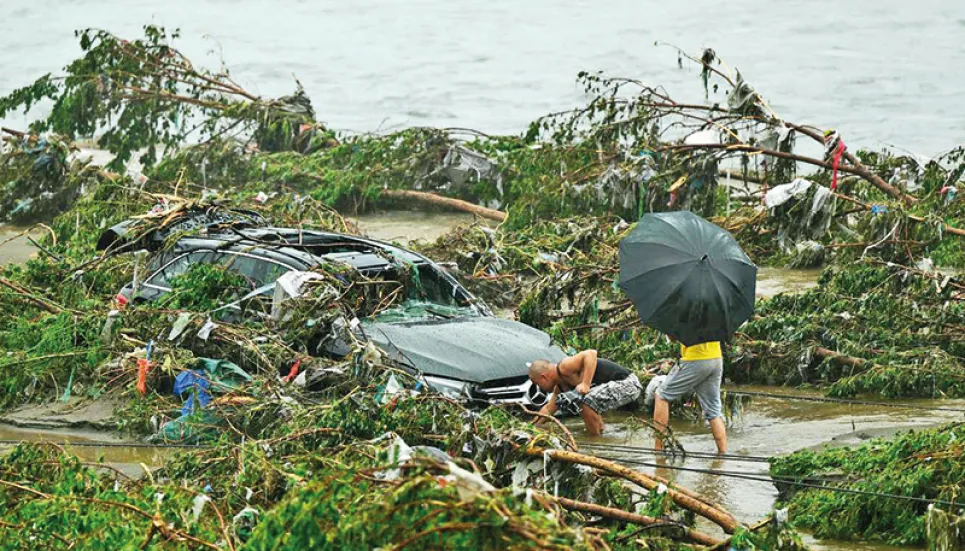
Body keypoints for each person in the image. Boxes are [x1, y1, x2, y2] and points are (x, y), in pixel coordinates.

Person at [528, 350, 642, 436]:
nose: (539, 388)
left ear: (544, 377)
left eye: (538, 384)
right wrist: (529, 428)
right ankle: (599, 435)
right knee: (582, 403)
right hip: (617, 389)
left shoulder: (564, 367)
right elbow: (548, 409)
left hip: (629, 384)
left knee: (585, 401)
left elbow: (591, 353)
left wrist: (585, 384)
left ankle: (597, 440)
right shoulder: (561, 387)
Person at [653, 339, 727, 453]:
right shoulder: (713, 320)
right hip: (716, 358)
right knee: (714, 411)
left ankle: (658, 449)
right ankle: (723, 454)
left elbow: (674, 337)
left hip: (695, 359)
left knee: (661, 395)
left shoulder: (687, 319)